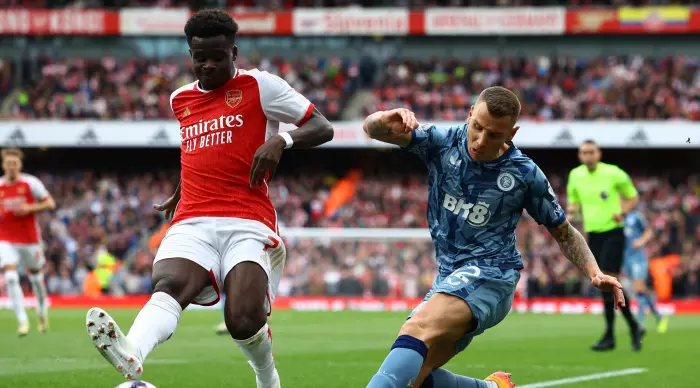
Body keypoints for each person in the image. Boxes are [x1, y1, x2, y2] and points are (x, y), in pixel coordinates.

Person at [85, 9, 333, 387]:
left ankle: (267, 377)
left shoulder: (260, 86)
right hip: (193, 217)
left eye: (218, 57)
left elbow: (322, 126)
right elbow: (201, 152)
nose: (209, 65)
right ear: (191, 54)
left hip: (247, 220)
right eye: (200, 58)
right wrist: (180, 190)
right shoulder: (180, 100)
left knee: (243, 320)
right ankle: (131, 351)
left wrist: (280, 140)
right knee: (170, 283)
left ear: (234, 52)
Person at [362, 87, 625, 388]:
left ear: (511, 133)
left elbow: (563, 232)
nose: (481, 140)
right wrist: (385, 117)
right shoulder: (443, 142)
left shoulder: (524, 174)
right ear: (470, 113)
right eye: (478, 128)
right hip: (449, 277)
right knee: (415, 379)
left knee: (417, 328)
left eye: (494, 135)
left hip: (492, 275)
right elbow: (372, 130)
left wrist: (594, 272)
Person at [567, 140, 643, 352]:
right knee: (604, 284)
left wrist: (623, 212)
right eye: (583, 152)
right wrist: (571, 212)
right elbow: (573, 201)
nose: (587, 155)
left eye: (591, 152)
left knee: (606, 279)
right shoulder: (576, 176)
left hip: (613, 232)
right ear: (580, 156)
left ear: (599, 154)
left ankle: (612, 334)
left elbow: (633, 196)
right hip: (593, 235)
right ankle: (633, 327)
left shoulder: (613, 173)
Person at [0, 148, 55, 336]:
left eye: (14, 164)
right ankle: (22, 321)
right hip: (6, 239)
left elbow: (50, 203)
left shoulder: (31, 183)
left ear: (20, 165)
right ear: (3, 165)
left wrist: (30, 207)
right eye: (8, 164)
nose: (11, 167)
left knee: (36, 280)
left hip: (30, 239)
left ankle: (41, 312)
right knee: (11, 277)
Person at [623, 210, 668, 333]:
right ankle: (659, 317)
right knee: (641, 290)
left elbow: (649, 231)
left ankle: (640, 323)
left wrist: (641, 241)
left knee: (638, 290)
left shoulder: (636, 216)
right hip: (626, 259)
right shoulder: (618, 217)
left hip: (638, 258)